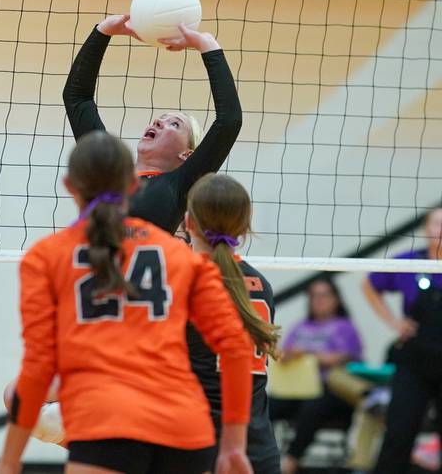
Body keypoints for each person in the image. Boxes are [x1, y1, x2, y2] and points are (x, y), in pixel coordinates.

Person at [0, 131, 254, 474]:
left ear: (70, 187)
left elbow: (40, 365)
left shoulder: (47, 257)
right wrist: (234, 446)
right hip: (185, 429)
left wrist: (10, 460)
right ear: (134, 185)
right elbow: (235, 346)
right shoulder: (180, 255)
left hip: (105, 425)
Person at [63, 15, 242, 235]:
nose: (158, 121)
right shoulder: (107, 169)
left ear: (187, 154)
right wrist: (103, 31)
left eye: (174, 124)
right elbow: (77, 99)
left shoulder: (178, 185)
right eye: (161, 118)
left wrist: (207, 45)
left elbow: (229, 121)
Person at [184, 173, 281, 474]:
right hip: (258, 450)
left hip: (198, 446)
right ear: (244, 228)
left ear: (188, 222)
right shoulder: (261, 284)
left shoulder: (184, 279)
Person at [364, 207, 442, 473]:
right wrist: (394, 323)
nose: (441, 229)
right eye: (436, 223)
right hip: (415, 361)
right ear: (425, 229)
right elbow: (369, 284)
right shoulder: (410, 261)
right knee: (399, 432)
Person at [269, 277, 363, 474]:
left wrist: (306, 354)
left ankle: (291, 461)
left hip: (330, 389)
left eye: (324, 295)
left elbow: (345, 358)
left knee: (314, 406)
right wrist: (285, 356)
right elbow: (283, 354)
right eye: (313, 295)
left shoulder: (344, 327)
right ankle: (259, 455)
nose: (318, 300)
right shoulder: (300, 327)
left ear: (336, 299)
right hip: (297, 388)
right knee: (266, 404)